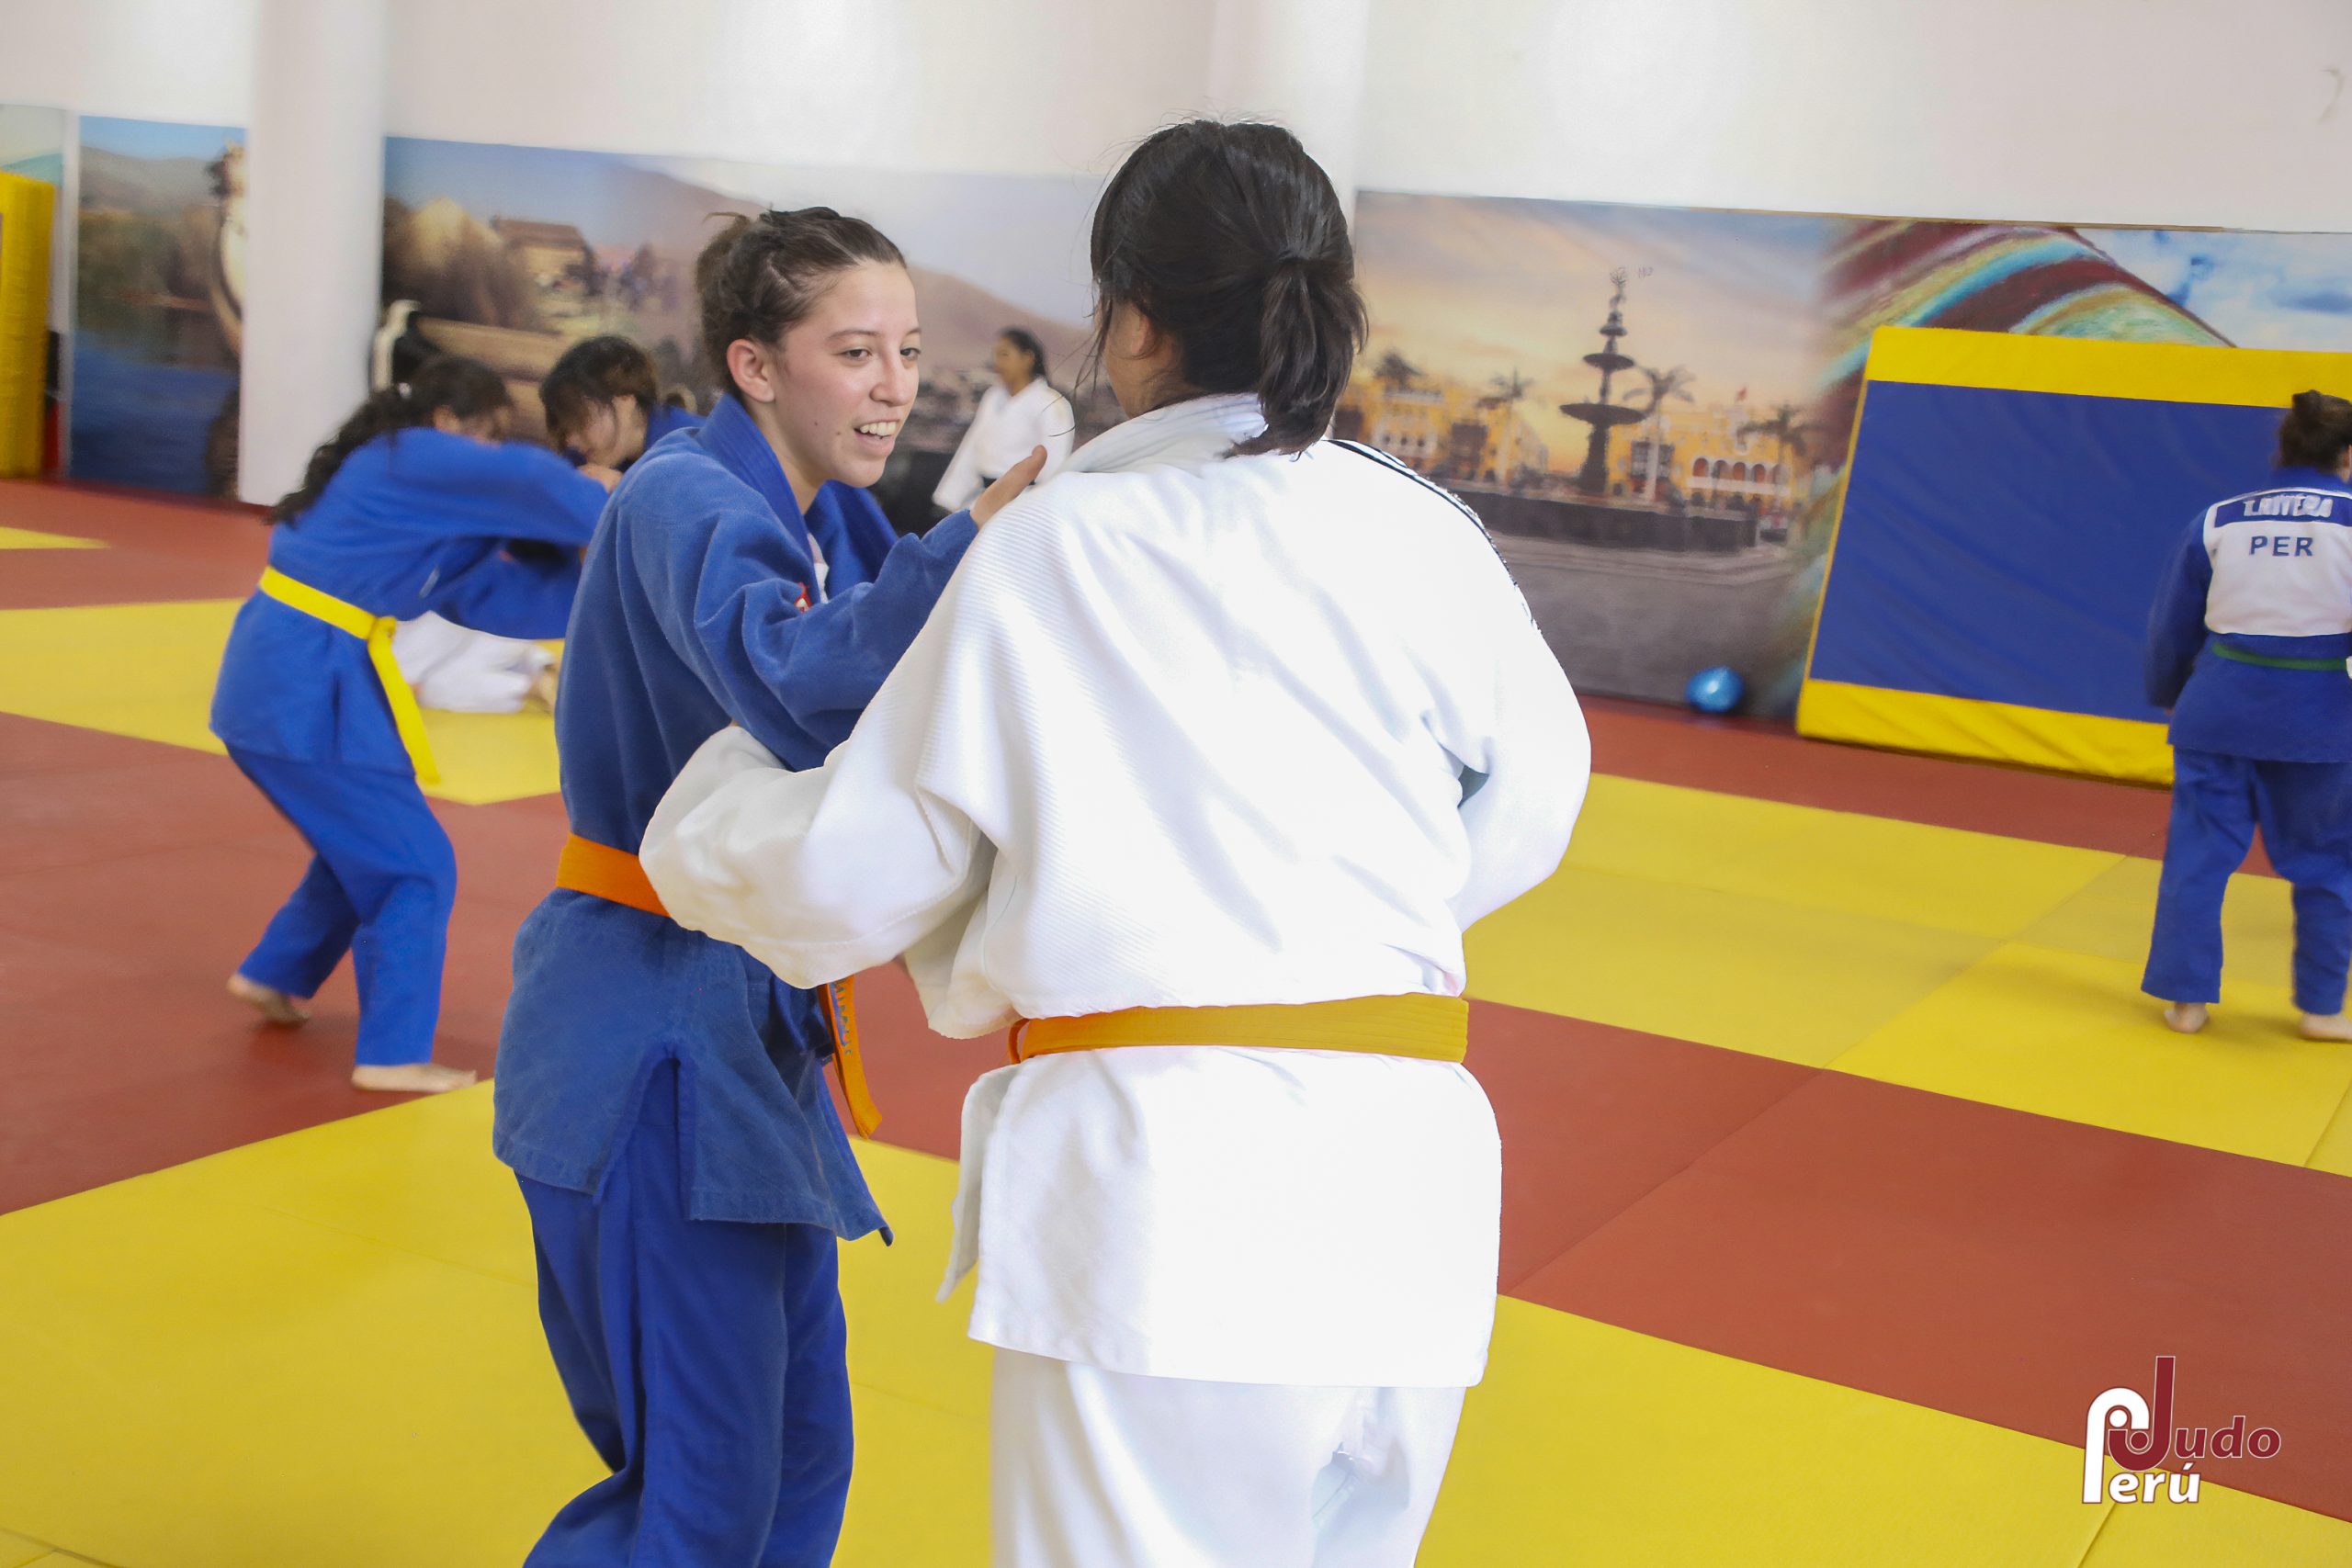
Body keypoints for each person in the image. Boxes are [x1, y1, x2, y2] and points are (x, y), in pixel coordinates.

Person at [641, 122, 1589, 1566]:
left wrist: (704, 807)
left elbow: (858, 868)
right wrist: (1316, 921)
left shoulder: (1062, 540)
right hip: (1411, 1179)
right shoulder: (1427, 531)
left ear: (1134, 321)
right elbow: (1535, 800)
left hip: (1169, 1191)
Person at [493, 208, 1038, 1567]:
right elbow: (795, 688)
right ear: (753, 364)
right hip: (645, 1032)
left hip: (749, 1033)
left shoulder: (827, 514)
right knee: (703, 1491)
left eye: (908, 349)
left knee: (798, 1453)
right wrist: (975, 534)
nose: (895, 386)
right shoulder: (681, 496)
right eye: (854, 353)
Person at [210, 355, 612, 1092]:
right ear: (447, 419)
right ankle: (391, 1053)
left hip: (301, 681)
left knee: (362, 844)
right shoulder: (405, 454)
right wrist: (620, 503)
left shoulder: (415, 505)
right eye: (486, 433)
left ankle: (274, 971)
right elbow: (525, 478)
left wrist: (600, 579)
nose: (488, 452)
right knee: (414, 865)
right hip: (298, 683)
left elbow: (487, 594)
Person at [2143, 389, 2352, 1040]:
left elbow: (2171, 626)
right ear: (2347, 456)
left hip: (2218, 707)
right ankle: (2321, 1008)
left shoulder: (2217, 520)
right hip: (2319, 716)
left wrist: (2167, 689)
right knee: (2329, 863)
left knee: (2197, 857)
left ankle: (2185, 1002)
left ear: (2283, 449)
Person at [932, 325, 1075, 513]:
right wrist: (950, 499)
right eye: (996, 355)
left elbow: (1054, 463)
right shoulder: (993, 397)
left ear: (1027, 359)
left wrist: (1041, 509)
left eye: (1005, 355)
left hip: (1023, 503)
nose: (997, 363)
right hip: (981, 497)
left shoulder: (1051, 403)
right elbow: (972, 448)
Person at [538, 333, 703, 472]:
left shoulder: (697, 449)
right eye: (566, 429)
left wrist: (620, 489)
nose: (571, 441)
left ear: (624, 396)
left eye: (581, 420)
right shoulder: (579, 458)